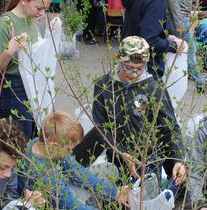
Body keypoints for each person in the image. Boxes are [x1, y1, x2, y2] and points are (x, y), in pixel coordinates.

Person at [72, 36, 187, 192]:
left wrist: (177, 160)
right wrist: (121, 152)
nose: (133, 74)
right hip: (117, 154)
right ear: (118, 59)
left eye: (139, 68)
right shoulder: (104, 86)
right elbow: (101, 127)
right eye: (128, 67)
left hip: (147, 157)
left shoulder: (154, 88)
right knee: (116, 202)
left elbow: (170, 127)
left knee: (145, 198)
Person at [22, 111, 133, 210]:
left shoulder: (41, 143)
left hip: (61, 195)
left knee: (109, 170)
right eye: (68, 149)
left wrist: (115, 192)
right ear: (54, 144)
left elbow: (78, 172)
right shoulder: (42, 173)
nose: (70, 151)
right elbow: (72, 208)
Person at [0, 0, 54, 140]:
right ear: (24, 0)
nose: (42, 13)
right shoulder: (6, 23)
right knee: (21, 140)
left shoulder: (31, 20)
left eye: (45, 8)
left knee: (36, 135)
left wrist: (49, 37)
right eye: (39, 8)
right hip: (15, 88)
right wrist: (9, 50)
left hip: (34, 85)